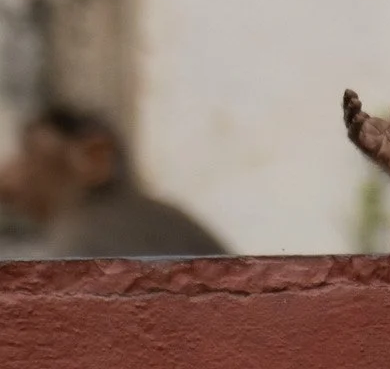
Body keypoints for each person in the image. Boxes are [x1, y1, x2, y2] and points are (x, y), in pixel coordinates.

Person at [0, 106, 227, 258]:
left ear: (94, 158)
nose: (11, 171)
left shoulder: (86, 230)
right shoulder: (163, 216)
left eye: (29, 155)